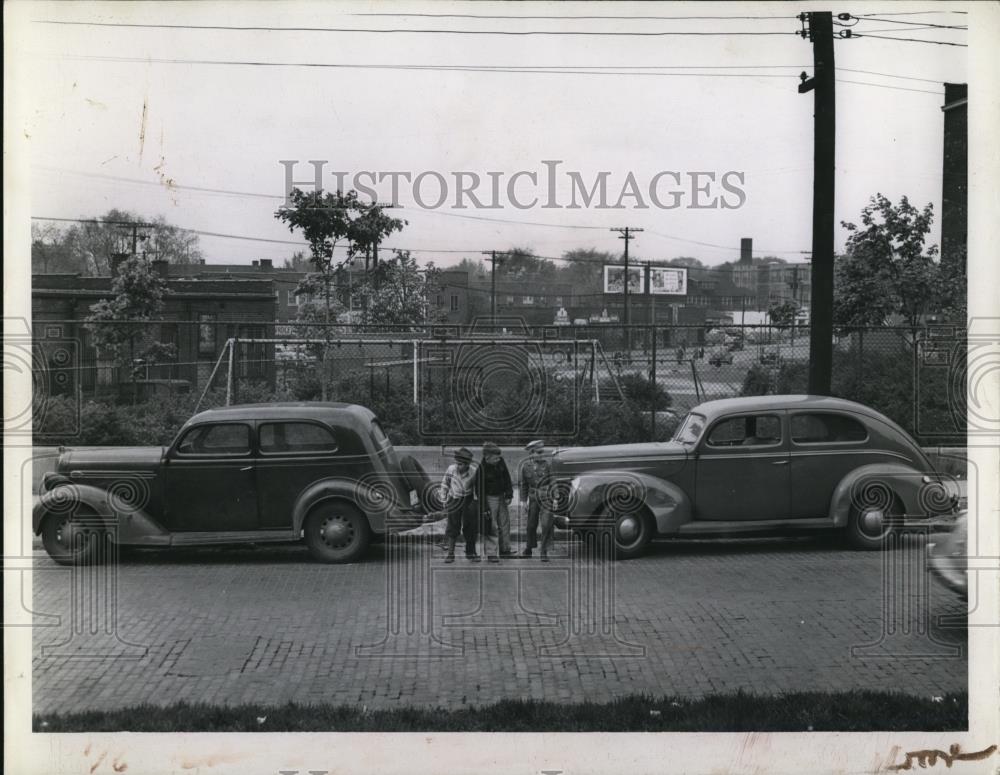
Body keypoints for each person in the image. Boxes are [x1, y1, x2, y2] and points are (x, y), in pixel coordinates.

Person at [473, 441, 514, 561]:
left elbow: (507, 477)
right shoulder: (481, 470)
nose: (498, 460)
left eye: (499, 457)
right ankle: (491, 553)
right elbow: (479, 491)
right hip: (489, 498)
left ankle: (505, 550)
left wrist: (509, 494)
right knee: (491, 525)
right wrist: (484, 507)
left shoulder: (501, 462)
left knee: (505, 524)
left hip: (501, 496)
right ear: (487, 457)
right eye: (495, 458)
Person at [439, 447, 479, 563]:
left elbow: (477, 488)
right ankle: (450, 554)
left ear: (467, 464)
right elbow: (445, 484)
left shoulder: (473, 471)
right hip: (454, 499)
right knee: (453, 526)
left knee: (470, 527)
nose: (458, 466)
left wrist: (476, 503)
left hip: (468, 499)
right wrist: (444, 499)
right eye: (457, 463)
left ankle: (471, 553)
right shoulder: (451, 469)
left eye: (461, 464)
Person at [519, 439, 554, 561]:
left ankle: (544, 551)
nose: (541, 455)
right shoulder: (525, 466)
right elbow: (523, 485)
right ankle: (529, 548)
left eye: (542, 452)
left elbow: (553, 481)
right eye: (539, 452)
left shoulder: (548, 464)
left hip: (546, 497)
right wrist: (523, 501)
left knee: (546, 524)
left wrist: (555, 497)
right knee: (531, 525)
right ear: (531, 454)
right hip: (533, 498)